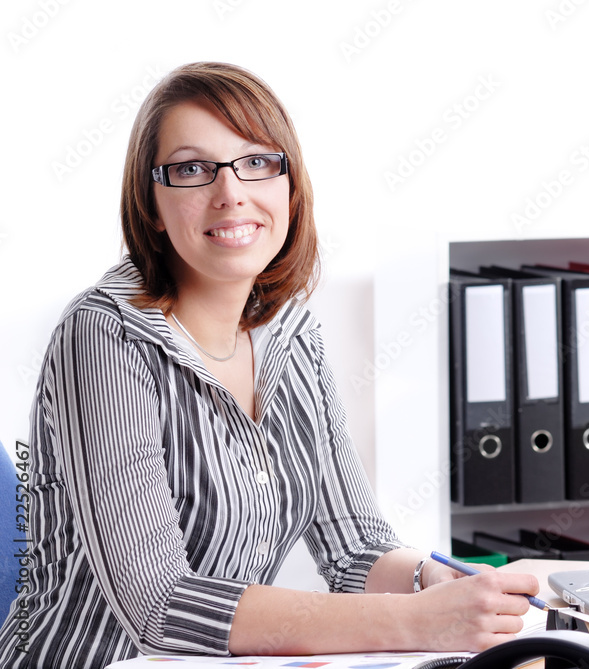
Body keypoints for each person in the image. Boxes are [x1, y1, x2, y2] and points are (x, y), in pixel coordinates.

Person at [0, 62, 538, 668]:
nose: (231, 192)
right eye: (192, 169)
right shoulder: (103, 338)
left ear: (289, 185)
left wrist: (432, 581)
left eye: (256, 161)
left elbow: (352, 544)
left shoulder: (291, 330)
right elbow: (160, 606)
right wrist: (418, 621)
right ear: (150, 203)